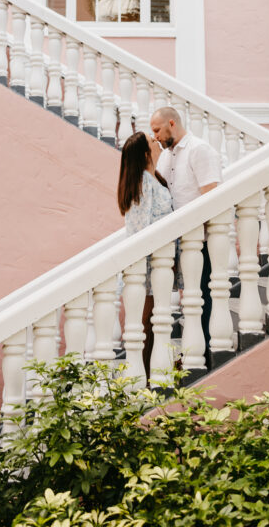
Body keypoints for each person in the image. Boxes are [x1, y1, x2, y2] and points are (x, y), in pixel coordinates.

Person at [150, 106, 221, 368]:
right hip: (179, 243)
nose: (154, 136)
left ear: (172, 123)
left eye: (157, 129)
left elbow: (211, 196)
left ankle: (206, 355)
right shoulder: (166, 158)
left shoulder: (198, 150)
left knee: (202, 297)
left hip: (200, 242)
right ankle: (192, 350)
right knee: (189, 300)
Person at [117, 131, 173, 377]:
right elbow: (140, 229)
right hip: (147, 268)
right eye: (152, 141)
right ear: (145, 153)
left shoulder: (155, 179)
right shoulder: (142, 182)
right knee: (147, 324)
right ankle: (143, 378)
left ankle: (149, 375)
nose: (157, 141)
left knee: (154, 323)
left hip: (158, 266)